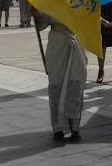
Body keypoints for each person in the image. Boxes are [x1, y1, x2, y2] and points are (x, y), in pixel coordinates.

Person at [33, 7, 87, 141]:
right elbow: (40, 26)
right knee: (56, 83)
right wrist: (36, 14)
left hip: (76, 40)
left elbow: (90, 17)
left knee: (76, 83)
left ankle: (75, 127)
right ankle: (57, 127)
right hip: (57, 42)